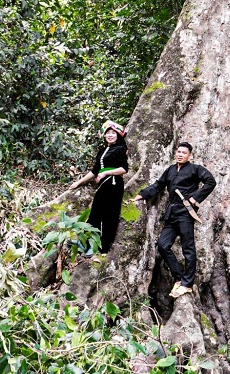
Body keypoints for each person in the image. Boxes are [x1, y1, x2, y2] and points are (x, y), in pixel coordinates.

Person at [135, 142, 216, 298]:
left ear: (189, 155)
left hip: (186, 213)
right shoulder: (171, 170)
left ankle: (187, 284)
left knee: (188, 248)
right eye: (178, 152)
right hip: (171, 213)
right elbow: (158, 185)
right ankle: (179, 277)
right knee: (163, 245)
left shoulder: (195, 169)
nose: (180, 154)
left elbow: (210, 181)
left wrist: (195, 198)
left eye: (184, 153)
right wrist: (143, 194)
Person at [69, 120, 129, 254]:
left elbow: (124, 169)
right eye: (108, 133)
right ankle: (85, 243)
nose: (110, 135)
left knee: (108, 215)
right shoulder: (102, 150)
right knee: (95, 212)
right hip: (104, 184)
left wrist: (106, 172)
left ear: (118, 136)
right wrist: (79, 183)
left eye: (113, 133)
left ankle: (101, 247)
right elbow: (94, 171)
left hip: (113, 183)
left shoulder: (120, 149)